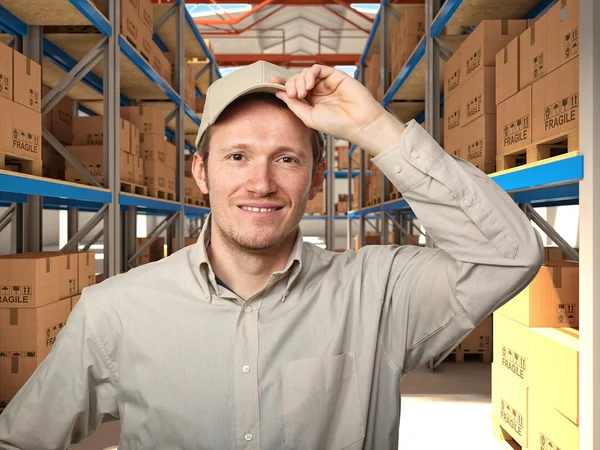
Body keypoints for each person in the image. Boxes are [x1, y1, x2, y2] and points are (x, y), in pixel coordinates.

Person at [0, 61, 543, 449]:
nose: (260, 183)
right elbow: (22, 439)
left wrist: (376, 129)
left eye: (286, 158)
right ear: (201, 171)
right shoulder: (113, 312)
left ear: (315, 179)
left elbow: (508, 255)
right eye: (237, 156)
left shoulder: (378, 293)